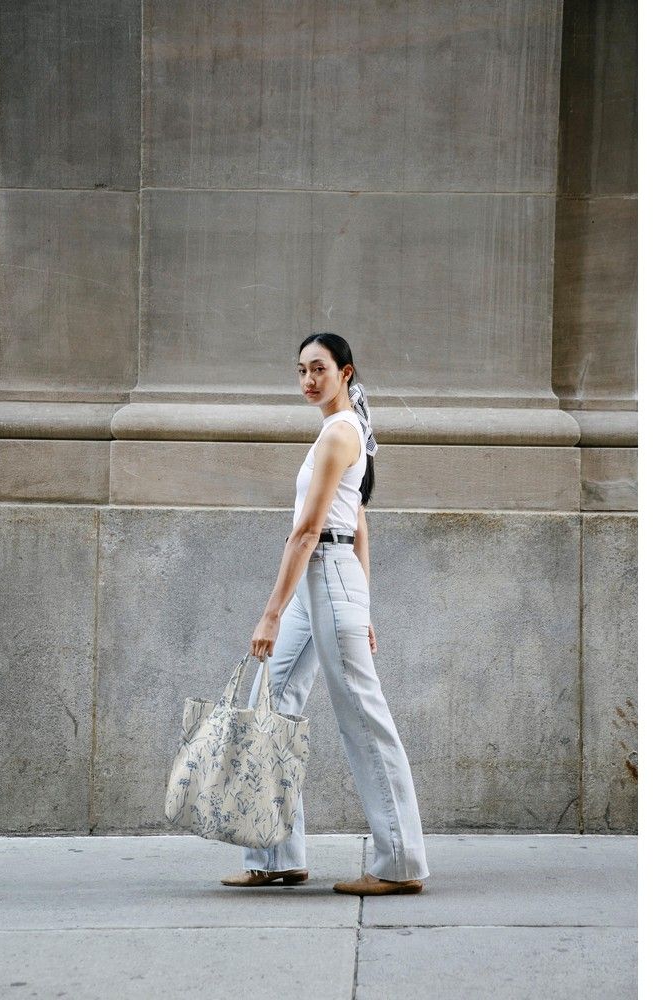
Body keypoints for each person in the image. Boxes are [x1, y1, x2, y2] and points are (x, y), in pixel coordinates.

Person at [219, 332, 430, 896]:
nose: (309, 380)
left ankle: (400, 862)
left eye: (319, 369)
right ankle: (275, 855)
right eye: (301, 370)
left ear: (346, 372)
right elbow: (359, 521)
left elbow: (309, 531)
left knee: (362, 717)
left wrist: (270, 614)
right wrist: (362, 601)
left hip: (326, 573)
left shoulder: (340, 433)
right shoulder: (339, 430)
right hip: (329, 581)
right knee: (269, 701)